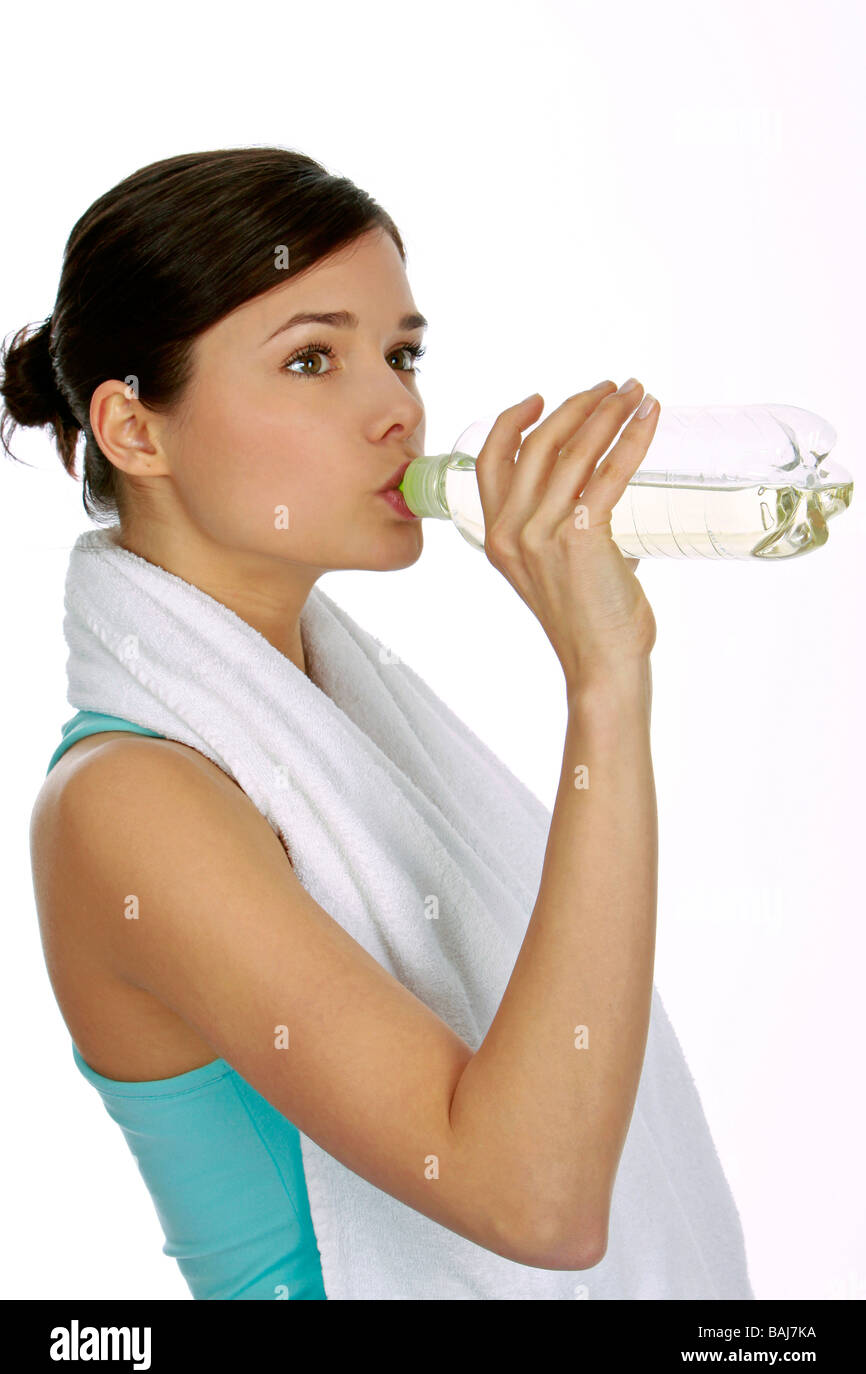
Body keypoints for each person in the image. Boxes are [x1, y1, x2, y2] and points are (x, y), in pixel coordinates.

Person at [1, 146, 747, 1300]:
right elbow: (533, 1198)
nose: (396, 408)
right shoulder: (127, 802)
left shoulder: (329, 714)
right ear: (134, 430)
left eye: (401, 355)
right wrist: (604, 679)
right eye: (312, 358)